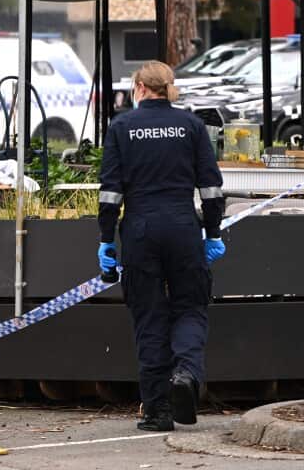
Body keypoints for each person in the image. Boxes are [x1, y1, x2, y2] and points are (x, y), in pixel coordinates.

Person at [96, 61, 226, 432]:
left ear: (139, 87)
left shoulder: (121, 127)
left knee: (149, 316)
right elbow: (212, 189)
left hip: (139, 229)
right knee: (190, 307)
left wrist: (107, 241)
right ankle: (185, 374)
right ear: (168, 88)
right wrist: (213, 232)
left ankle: (157, 411)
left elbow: (109, 195)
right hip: (183, 227)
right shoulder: (191, 126)